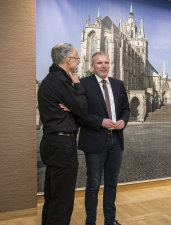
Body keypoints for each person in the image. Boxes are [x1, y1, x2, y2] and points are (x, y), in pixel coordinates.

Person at [38, 43, 87, 225]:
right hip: (62, 145)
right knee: (62, 201)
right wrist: (78, 85)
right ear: (68, 60)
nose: (78, 62)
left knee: (52, 197)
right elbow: (82, 108)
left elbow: (76, 111)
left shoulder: (48, 80)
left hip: (50, 142)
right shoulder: (61, 81)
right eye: (77, 58)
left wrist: (72, 109)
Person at [78, 51, 130, 225]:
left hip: (116, 140)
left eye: (106, 62)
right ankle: (90, 222)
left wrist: (123, 120)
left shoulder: (118, 84)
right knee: (93, 185)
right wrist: (100, 121)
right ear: (92, 66)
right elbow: (80, 113)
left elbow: (126, 109)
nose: (103, 66)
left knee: (112, 183)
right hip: (94, 140)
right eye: (99, 63)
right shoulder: (83, 84)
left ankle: (110, 220)